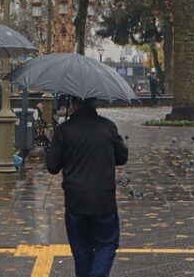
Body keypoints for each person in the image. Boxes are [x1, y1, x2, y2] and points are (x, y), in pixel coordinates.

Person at [46, 97, 128, 277]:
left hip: (76, 200)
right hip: (103, 199)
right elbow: (122, 157)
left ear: (74, 104)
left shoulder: (64, 130)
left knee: (81, 248)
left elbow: (52, 166)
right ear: (94, 103)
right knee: (106, 244)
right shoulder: (107, 127)